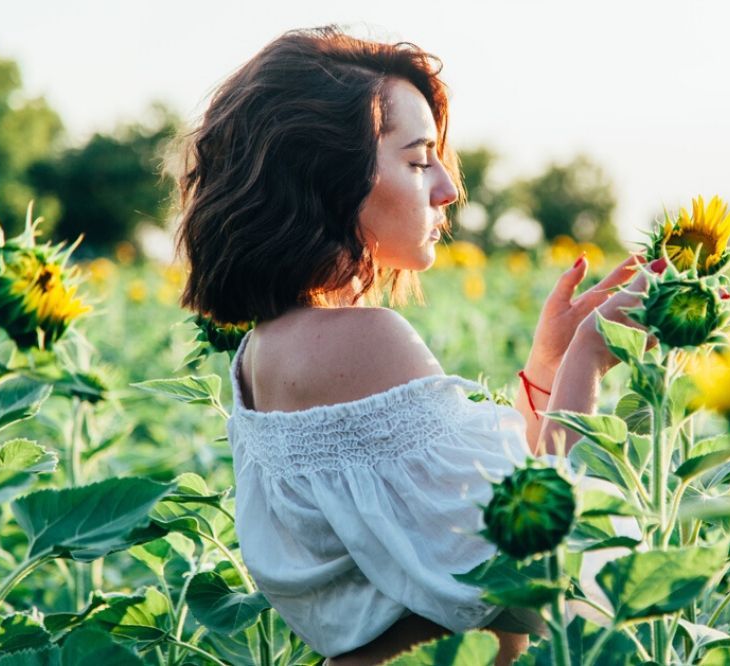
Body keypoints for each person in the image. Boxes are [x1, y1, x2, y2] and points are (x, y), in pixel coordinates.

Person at [172, 26, 659, 666]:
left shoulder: (267, 349)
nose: (446, 189)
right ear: (331, 178)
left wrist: (549, 365)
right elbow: (538, 550)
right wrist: (591, 355)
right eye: (416, 159)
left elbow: (468, 503)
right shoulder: (358, 340)